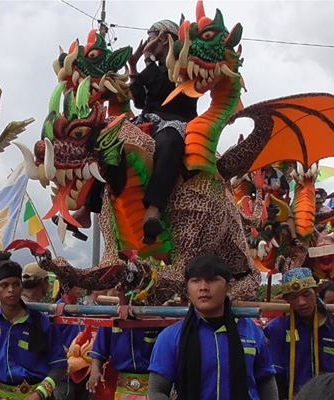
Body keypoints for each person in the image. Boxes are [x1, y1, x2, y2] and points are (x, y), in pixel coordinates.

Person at [147, 255, 277, 400]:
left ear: (229, 287)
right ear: (188, 289)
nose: (203, 287)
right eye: (196, 281)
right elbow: (157, 391)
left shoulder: (251, 332)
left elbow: (266, 380)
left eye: (212, 280)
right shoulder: (170, 337)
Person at [128, 20, 198, 245]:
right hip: (147, 119)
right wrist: (133, 67)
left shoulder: (183, 65)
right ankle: (86, 205)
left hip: (176, 120)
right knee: (108, 135)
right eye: (148, 39)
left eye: (151, 38)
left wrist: (147, 60)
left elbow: (163, 89)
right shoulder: (154, 69)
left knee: (169, 139)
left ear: (165, 38)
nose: (148, 43)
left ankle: (154, 209)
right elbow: (140, 101)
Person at [0, 251, 67, 400]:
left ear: (22, 286)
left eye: (16, 284)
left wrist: (39, 394)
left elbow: (60, 365)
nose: (11, 290)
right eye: (4, 285)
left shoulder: (42, 323)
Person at [264, 268, 334, 399]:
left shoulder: (332, 325)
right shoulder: (278, 329)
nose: (301, 302)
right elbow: (276, 376)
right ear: (287, 300)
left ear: (317, 292)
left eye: (306, 294)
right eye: (294, 297)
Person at [88, 296, 161, 399]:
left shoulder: (156, 315)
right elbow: (99, 350)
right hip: (123, 389)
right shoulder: (112, 317)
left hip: (153, 387)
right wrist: (95, 370)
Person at [53, 284, 89, 400]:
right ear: (67, 287)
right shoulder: (57, 308)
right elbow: (52, 339)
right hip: (64, 372)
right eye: (77, 286)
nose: (80, 288)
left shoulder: (83, 307)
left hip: (83, 368)